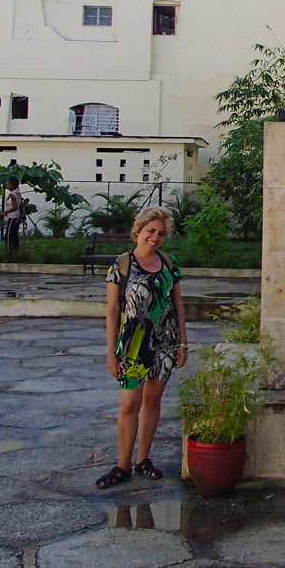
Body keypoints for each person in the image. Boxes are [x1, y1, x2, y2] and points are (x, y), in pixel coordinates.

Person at [96, 206, 188, 488]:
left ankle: (143, 459)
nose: (155, 237)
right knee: (130, 403)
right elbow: (113, 310)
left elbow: (178, 304)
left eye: (161, 233)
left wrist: (183, 342)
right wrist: (112, 352)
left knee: (153, 400)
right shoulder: (122, 264)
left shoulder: (170, 263)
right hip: (133, 345)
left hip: (165, 342)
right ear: (138, 231)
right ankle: (122, 465)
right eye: (150, 231)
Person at [1, 177, 22, 252]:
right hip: (17, 216)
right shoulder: (18, 192)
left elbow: (15, 207)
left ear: (13, 186)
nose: (7, 186)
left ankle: (9, 249)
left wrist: (5, 212)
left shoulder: (12, 194)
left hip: (13, 217)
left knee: (8, 234)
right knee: (14, 234)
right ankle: (15, 249)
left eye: (8, 184)